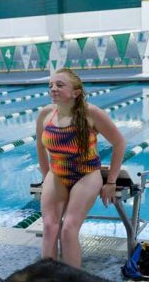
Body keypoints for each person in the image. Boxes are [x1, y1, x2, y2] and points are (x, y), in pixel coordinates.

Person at [35, 68, 126, 268]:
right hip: (57, 173)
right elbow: (40, 148)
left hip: (86, 174)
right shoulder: (45, 114)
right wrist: (46, 178)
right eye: (50, 85)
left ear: (76, 92)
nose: (53, 89)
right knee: (50, 228)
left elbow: (119, 143)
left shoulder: (91, 113)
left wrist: (110, 181)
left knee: (68, 229)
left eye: (59, 85)